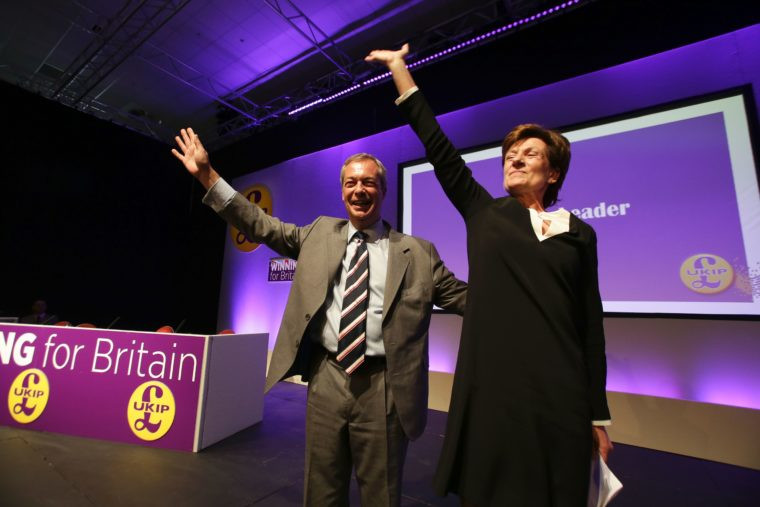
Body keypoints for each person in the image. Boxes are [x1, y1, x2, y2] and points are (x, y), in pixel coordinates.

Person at [366, 44, 612, 506]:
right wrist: (400, 71)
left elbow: (590, 323)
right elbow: (436, 146)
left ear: (553, 173)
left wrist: (597, 413)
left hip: (560, 390)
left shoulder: (580, 233)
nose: (514, 158)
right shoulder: (484, 212)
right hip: (493, 383)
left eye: (530, 154)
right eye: (510, 153)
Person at [171, 129, 467, 506]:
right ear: (342, 191)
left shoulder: (418, 253)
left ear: (384, 190)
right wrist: (207, 176)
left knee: (382, 493)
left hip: (386, 387)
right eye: (351, 183)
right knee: (321, 489)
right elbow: (261, 225)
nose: (359, 190)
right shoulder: (320, 233)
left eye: (369, 182)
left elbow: (464, 298)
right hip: (327, 378)